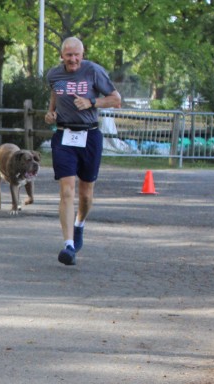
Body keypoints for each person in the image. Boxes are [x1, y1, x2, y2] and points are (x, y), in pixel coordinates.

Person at [44, 37, 121, 266]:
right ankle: (68, 245)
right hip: (64, 135)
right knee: (66, 189)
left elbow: (116, 99)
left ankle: (79, 224)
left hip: (89, 135)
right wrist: (50, 113)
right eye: (69, 55)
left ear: (82, 54)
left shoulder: (93, 71)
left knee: (86, 194)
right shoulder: (53, 75)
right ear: (62, 55)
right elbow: (55, 93)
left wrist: (92, 102)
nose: (73, 59)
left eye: (77, 54)